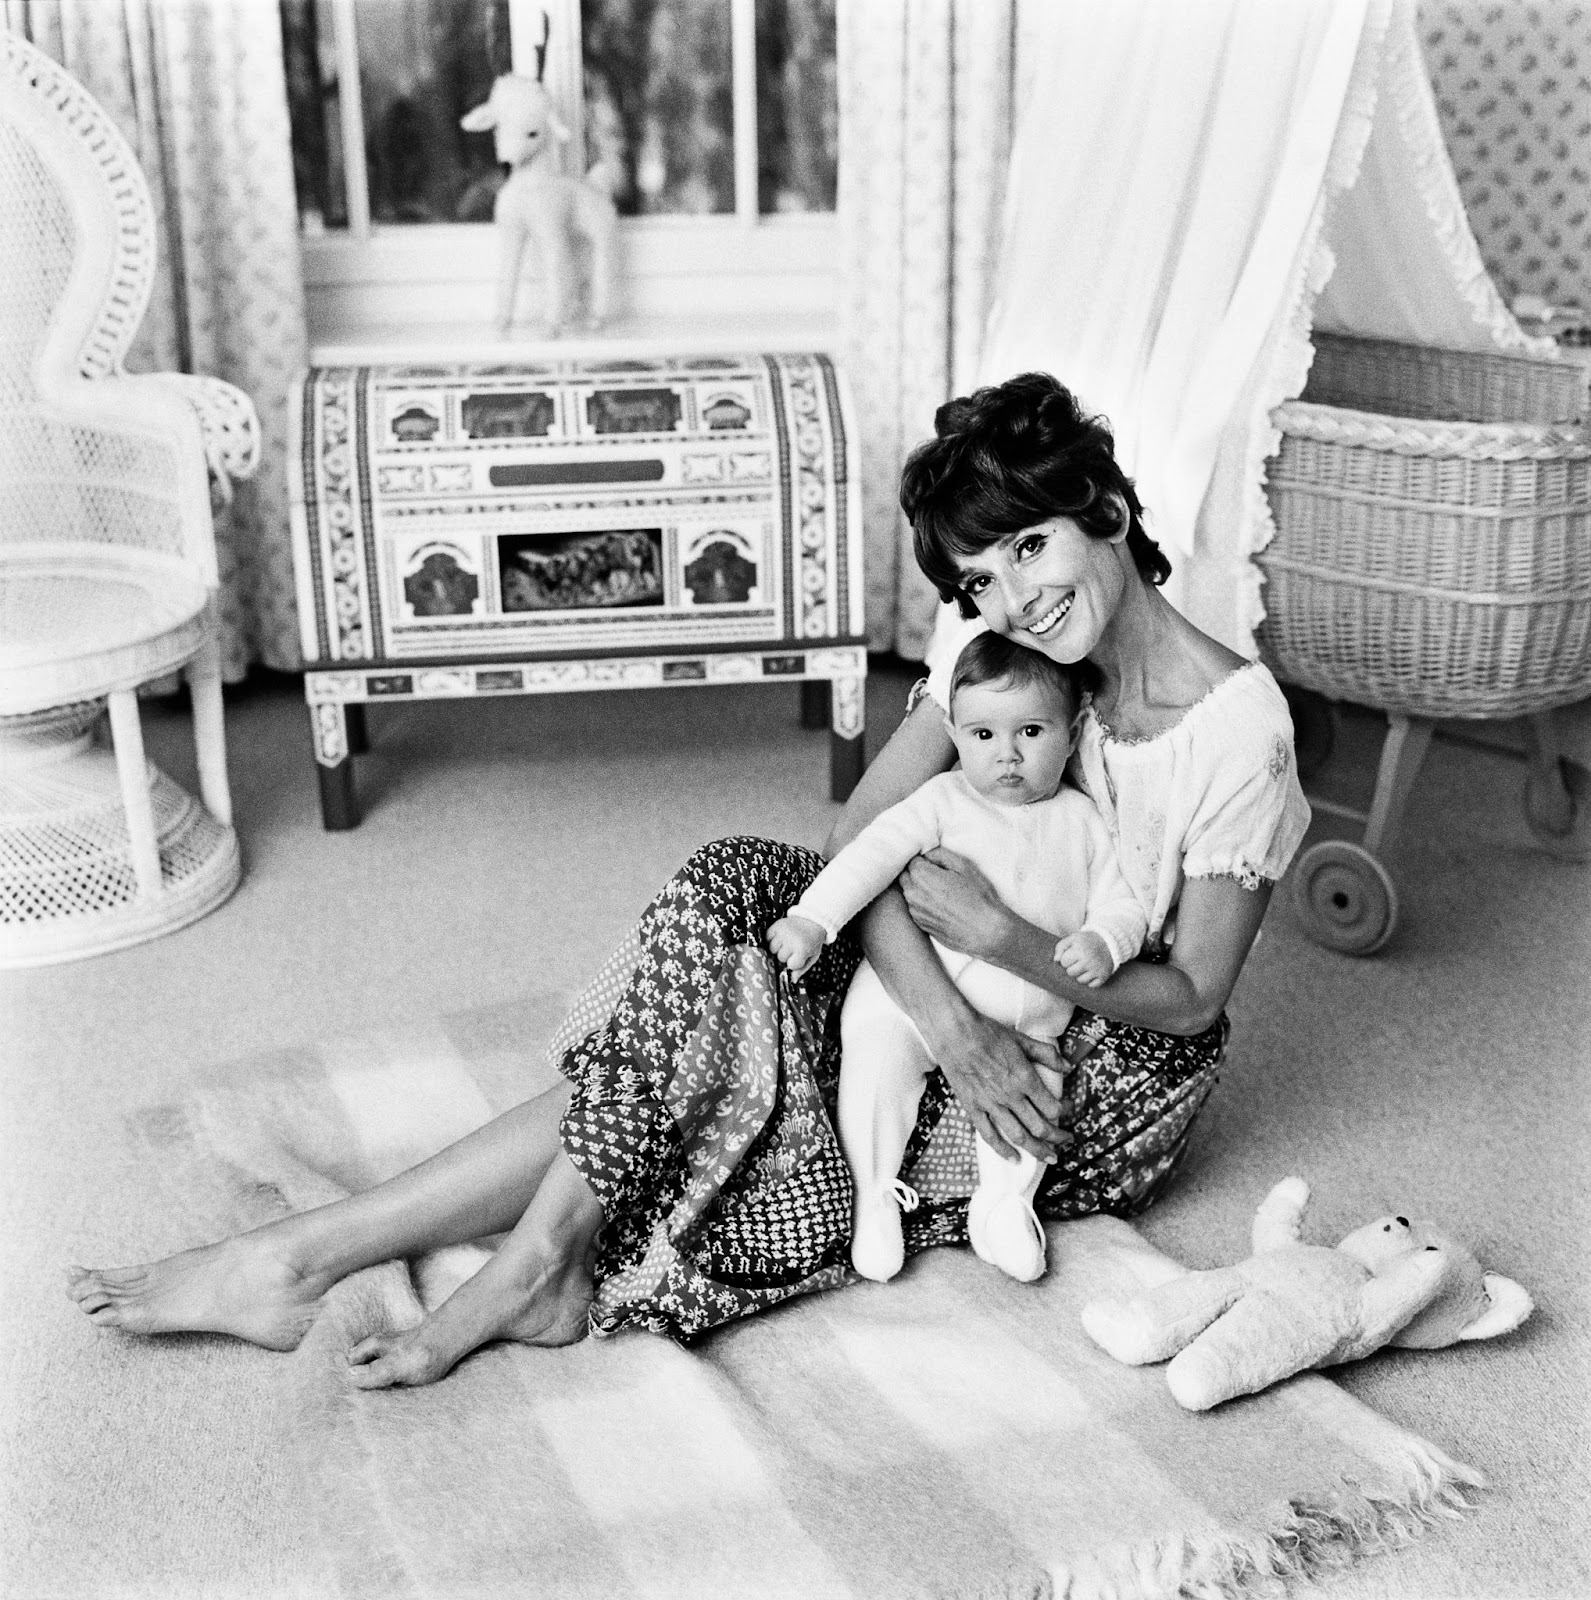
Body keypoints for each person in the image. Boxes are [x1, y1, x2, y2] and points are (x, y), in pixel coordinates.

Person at [67, 371, 1310, 1389]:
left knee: (730, 1050)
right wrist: (940, 1010)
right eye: (979, 578)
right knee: (728, 896)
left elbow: (1191, 996)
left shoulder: (1234, 728)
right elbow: (861, 839)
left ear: (1100, 505)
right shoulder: (1001, 645)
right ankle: (484, 1259)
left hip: (1082, 1060)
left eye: (1030, 546)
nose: (1015, 598)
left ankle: (341, 1257)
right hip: (944, 976)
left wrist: (1003, 954)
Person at [766, 631, 1145, 1285]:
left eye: (1030, 731)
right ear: (954, 730)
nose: (1006, 756)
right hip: (908, 1000)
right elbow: (866, 855)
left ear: (1073, 725)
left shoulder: (1082, 820)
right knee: (876, 1066)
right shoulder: (940, 800)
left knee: (1034, 1093)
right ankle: (876, 1196)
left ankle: (1003, 1206)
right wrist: (812, 919)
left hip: (1029, 1016)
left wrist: (1104, 941)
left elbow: (1124, 903)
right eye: (982, 736)